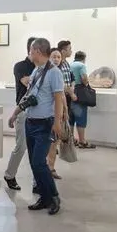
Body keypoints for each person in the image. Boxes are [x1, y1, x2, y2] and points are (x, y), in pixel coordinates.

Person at [7, 37, 65, 215]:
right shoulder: (36, 71)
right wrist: (15, 113)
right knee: (34, 163)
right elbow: (29, 95)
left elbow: (58, 98)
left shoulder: (54, 73)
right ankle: (44, 198)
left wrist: (57, 122)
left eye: (31, 51)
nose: (30, 54)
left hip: (44, 124)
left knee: (39, 162)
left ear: (38, 52)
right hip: (30, 122)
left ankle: (53, 197)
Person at [4, 37, 36, 191]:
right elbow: (27, 82)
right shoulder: (20, 66)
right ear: (31, 50)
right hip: (23, 110)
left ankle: (37, 183)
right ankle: (9, 175)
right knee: (21, 146)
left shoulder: (43, 67)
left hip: (39, 113)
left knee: (37, 150)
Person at [49, 42, 75, 179]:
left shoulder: (59, 72)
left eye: (58, 57)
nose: (56, 59)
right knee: (50, 143)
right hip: (48, 113)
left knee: (55, 142)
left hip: (57, 113)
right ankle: (47, 169)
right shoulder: (45, 72)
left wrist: (65, 110)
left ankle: (51, 168)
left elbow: (61, 95)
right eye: (54, 57)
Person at [70, 51, 95, 149]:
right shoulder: (81, 65)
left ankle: (71, 140)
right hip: (79, 94)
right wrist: (87, 84)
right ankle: (82, 141)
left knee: (71, 118)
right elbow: (84, 79)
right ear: (84, 58)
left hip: (70, 92)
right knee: (81, 118)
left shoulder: (70, 65)